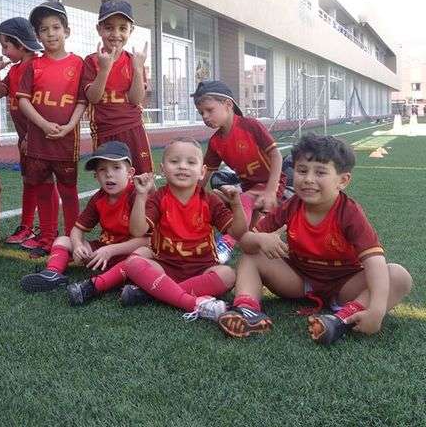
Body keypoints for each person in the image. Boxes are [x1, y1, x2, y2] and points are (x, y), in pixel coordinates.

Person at [218, 134, 412, 344]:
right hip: (300, 281)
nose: (308, 179)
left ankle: (340, 320)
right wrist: (261, 239)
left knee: (399, 276)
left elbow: (374, 262)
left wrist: (377, 310)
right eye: (302, 171)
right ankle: (247, 311)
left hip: (344, 286)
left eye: (320, 172)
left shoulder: (349, 213)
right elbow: (246, 243)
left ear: (343, 181)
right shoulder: (291, 206)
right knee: (252, 256)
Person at [121, 137, 248, 322]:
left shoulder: (210, 200)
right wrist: (141, 195)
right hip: (165, 267)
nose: (182, 166)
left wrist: (236, 204)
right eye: (174, 161)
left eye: (191, 162)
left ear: (202, 171)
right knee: (133, 264)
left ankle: (154, 292)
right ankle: (192, 302)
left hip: (202, 269)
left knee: (228, 275)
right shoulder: (158, 197)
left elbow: (238, 233)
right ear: (163, 169)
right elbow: (137, 231)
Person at [19, 141, 149, 304]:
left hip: (129, 254)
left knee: (139, 259)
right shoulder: (99, 198)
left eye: (116, 168)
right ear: (96, 176)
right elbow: (76, 230)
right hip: (102, 254)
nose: (109, 174)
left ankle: (98, 285)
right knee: (63, 240)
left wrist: (111, 250)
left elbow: (147, 240)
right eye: (102, 169)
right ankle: (52, 274)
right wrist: (78, 245)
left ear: (130, 172)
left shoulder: (137, 195)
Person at [16, 1, 87, 256]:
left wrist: (69, 126)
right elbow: (23, 100)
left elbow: (82, 100)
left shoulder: (79, 64)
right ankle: (47, 237)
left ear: (66, 31)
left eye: (56, 27)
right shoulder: (33, 65)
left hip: (67, 141)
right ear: (37, 35)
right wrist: (44, 124)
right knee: (44, 189)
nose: (50, 33)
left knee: (68, 191)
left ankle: (72, 239)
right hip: (39, 140)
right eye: (44, 29)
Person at [192, 80, 284, 263]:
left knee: (242, 204)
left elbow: (276, 156)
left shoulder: (250, 125)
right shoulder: (215, 142)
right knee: (217, 199)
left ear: (228, 104)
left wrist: (271, 190)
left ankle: (226, 243)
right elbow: (205, 174)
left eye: (209, 110)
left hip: (271, 185)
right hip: (247, 189)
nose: (205, 116)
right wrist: (190, 196)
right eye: (201, 113)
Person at [0, 17, 59, 247]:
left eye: (6, 46)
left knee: (44, 182)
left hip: (39, 138)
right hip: (25, 140)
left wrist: (32, 136)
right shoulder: (16, 70)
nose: (4, 51)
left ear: (21, 44)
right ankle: (27, 227)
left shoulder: (38, 66)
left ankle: (49, 232)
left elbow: (42, 105)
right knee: (29, 181)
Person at [82, 0, 152, 174]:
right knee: (110, 180)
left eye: (122, 28)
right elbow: (93, 98)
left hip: (133, 128)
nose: (116, 34)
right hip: (104, 130)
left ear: (131, 30)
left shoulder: (134, 61)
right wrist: (105, 69)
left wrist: (137, 69)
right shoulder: (91, 61)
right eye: (109, 27)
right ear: (99, 29)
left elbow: (136, 99)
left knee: (143, 177)